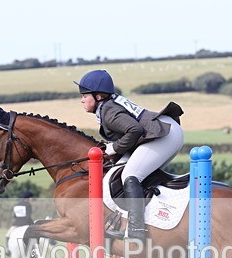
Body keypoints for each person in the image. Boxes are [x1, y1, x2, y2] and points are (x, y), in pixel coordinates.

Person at [75, 69, 184, 240]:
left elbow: (134, 130)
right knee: (118, 171)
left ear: (98, 96)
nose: (81, 100)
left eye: (84, 95)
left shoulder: (108, 111)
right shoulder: (107, 106)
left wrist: (113, 148)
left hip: (166, 136)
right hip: (161, 133)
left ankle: (137, 229)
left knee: (130, 175)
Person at [5, 190, 34, 254]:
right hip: (25, 224)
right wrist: (33, 224)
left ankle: (7, 249)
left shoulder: (16, 205)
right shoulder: (28, 205)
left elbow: (15, 216)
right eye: (31, 198)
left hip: (16, 224)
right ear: (28, 198)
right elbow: (28, 217)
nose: (32, 199)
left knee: (7, 235)